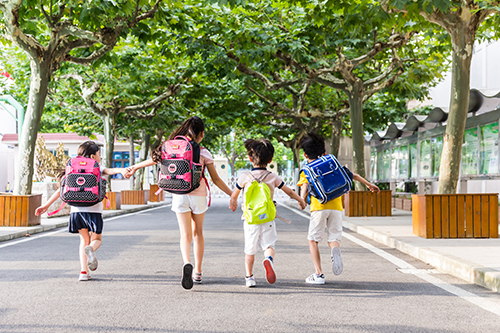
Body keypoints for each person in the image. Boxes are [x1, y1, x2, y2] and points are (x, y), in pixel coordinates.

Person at [125, 116, 233, 290]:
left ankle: (186, 262)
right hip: (198, 195)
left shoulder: (171, 147)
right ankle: (197, 271)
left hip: (179, 194)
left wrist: (135, 167)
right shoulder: (203, 152)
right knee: (197, 233)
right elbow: (216, 180)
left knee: (185, 235)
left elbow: (155, 159)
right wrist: (234, 195)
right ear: (201, 133)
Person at [35, 141, 128, 281]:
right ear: (92, 155)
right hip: (94, 210)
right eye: (98, 154)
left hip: (76, 211)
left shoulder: (72, 168)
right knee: (96, 239)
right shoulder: (96, 166)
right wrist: (122, 170)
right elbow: (111, 171)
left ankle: (83, 272)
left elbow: (61, 190)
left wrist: (46, 205)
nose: (100, 157)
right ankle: (91, 248)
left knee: (83, 240)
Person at [298, 133, 380, 285]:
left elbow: (305, 186)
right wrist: (369, 184)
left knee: (313, 240)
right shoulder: (330, 163)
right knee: (334, 237)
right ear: (323, 153)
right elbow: (352, 175)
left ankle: (319, 274)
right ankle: (334, 249)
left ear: (304, 154)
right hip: (336, 206)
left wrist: (301, 201)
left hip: (319, 207)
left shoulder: (307, 169)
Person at [229, 139, 306, 287]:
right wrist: (300, 200)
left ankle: (249, 277)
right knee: (269, 246)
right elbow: (289, 191)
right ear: (270, 160)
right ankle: (268, 260)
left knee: (249, 250)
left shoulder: (244, 176)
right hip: (268, 218)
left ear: (250, 159)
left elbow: (234, 195)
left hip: (250, 219)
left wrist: (233, 204)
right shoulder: (272, 177)